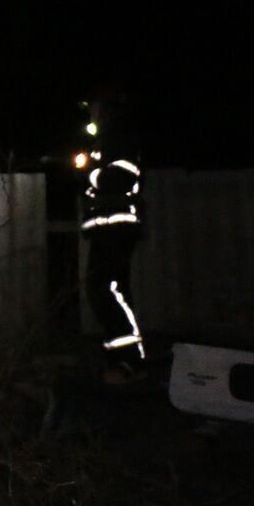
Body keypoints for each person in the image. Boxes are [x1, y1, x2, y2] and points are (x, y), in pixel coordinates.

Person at [75, 90, 147, 382]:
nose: (89, 111)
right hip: (106, 226)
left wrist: (89, 172)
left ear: (104, 107)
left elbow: (121, 176)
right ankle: (121, 361)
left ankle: (129, 361)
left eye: (92, 105)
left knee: (103, 289)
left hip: (116, 226)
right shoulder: (106, 138)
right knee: (111, 290)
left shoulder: (119, 136)